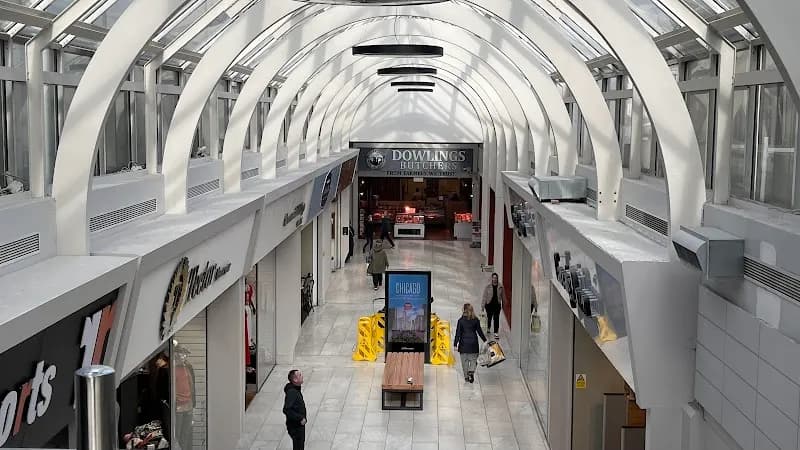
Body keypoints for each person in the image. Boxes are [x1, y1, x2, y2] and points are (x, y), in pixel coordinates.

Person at [454, 303, 487, 383]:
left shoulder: (461, 321)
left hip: (463, 344)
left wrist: (455, 344)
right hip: (473, 344)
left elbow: (458, 333)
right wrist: (485, 340)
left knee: (464, 362)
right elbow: (479, 331)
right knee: (473, 360)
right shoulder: (476, 320)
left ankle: (466, 377)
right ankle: (471, 371)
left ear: (464, 310)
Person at [283, 369, 307, 450]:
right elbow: (286, 409)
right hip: (296, 426)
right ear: (295, 380)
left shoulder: (296, 389)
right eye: (300, 375)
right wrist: (300, 418)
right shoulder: (292, 392)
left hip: (298, 425)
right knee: (298, 446)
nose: (302, 376)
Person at [481, 273, 505, 339]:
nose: (495, 279)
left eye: (496, 278)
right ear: (492, 278)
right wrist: (483, 306)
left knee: (496, 318)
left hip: (497, 306)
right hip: (489, 305)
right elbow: (484, 296)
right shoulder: (488, 286)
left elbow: (503, 296)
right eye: (493, 278)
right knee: (489, 317)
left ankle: (496, 332)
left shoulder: (500, 286)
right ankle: (488, 328)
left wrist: (504, 304)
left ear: (497, 278)